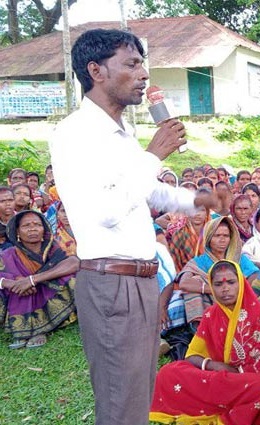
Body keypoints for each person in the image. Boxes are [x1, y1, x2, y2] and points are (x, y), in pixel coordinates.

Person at [49, 29, 217, 425]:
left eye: (142, 63)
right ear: (96, 70)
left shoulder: (123, 134)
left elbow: (149, 193)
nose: (143, 74)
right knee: (121, 401)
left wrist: (199, 200)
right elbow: (107, 209)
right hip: (112, 283)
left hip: (141, 281)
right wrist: (154, 154)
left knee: (139, 394)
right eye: (132, 63)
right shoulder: (76, 133)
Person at [149, 260, 260, 425]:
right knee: (169, 372)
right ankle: (221, 400)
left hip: (245, 381)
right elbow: (192, 355)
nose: (225, 289)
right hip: (215, 377)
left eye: (231, 282)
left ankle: (225, 413)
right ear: (211, 287)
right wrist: (214, 366)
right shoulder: (211, 315)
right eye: (218, 284)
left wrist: (234, 375)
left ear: (242, 283)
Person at [0, 210, 79, 348]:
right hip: (18, 293)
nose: (32, 229)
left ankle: (42, 329)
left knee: (72, 278)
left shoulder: (54, 247)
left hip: (47, 292)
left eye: (37, 224)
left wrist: (31, 280)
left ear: (44, 229)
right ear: (17, 231)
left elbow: (74, 262)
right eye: (26, 226)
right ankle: (27, 329)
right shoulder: (8, 254)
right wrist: (13, 283)